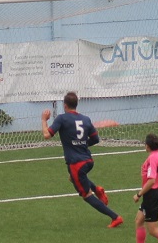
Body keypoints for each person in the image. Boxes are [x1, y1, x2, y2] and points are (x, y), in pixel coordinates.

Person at [42, 92, 124, 228]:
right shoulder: (85, 119)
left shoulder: (62, 118)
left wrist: (44, 120)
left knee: (86, 195)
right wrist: (82, 144)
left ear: (65, 105)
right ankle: (97, 189)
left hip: (76, 163)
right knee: (73, 178)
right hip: (88, 160)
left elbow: (46, 135)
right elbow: (95, 139)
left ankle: (115, 217)